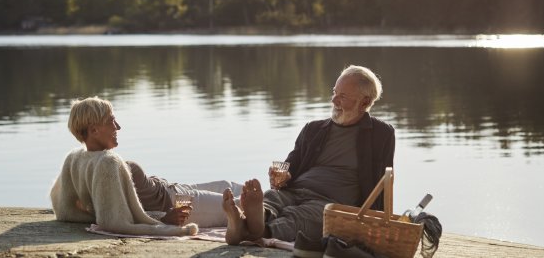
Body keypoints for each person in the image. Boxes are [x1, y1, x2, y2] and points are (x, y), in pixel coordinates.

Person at [221, 65, 395, 245]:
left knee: (300, 216)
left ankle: (250, 229)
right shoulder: (313, 129)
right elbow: (291, 164)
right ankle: (255, 219)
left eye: (342, 96)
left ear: (365, 102)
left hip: (331, 202)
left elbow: (385, 182)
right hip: (296, 189)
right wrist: (282, 175)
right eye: (334, 92)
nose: (334, 100)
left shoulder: (381, 134)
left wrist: (379, 221)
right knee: (273, 198)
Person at [50, 97, 240, 234]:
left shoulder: (76, 158)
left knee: (230, 185)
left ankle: (272, 189)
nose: (118, 126)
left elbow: (66, 204)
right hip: (175, 205)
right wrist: (163, 219)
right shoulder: (105, 165)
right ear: (94, 130)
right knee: (244, 205)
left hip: (172, 188)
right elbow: (113, 217)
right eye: (111, 121)